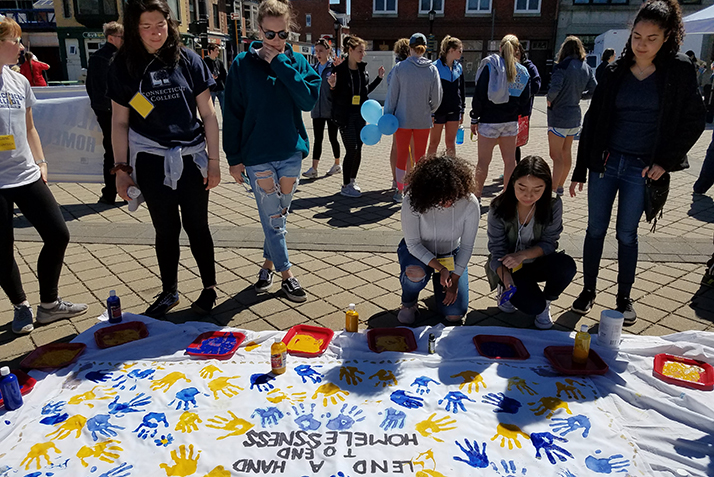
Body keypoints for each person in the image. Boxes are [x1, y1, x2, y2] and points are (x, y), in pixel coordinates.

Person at [570, 0, 705, 324]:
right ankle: (588, 290)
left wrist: (666, 162)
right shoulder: (615, 72)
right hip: (605, 164)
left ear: (668, 36)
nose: (641, 45)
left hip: (641, 169)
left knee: (627, 235)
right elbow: (593, 122)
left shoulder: (679, 71)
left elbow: (694, 120)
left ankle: (624, 297)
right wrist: (579, 170)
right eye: (637, 36)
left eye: (651, 38)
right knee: (594, 231)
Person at [108, 0, 221, 317]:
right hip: (150, 159)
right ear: (134, 28)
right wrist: (121, 169)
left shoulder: (189, 60)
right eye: (146, 26)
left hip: (191, 158)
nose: (155, 32)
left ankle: (209, 288)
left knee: (198, 226)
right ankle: (169, 291)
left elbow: (208, 114)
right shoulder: (123, 65)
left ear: (170, 23)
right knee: (165, 229)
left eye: (160, 23)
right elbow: (119, 121)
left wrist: (214, 162)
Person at [224, 0, 320, 303]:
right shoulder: (242, 64)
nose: (277, 41)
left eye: (283, 35)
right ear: (258, 31)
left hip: (291, 152)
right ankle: (287, 275)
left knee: (277, 217)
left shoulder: (297, 63)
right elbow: (233, 114)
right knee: (275, 219)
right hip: (256, 155)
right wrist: (233, 158)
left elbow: (308, 100)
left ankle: (266, 267)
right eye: (269, 35)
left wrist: (279, 63)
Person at [0, 15, 87, 334]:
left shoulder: (19, 81)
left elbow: (30, 127)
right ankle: (20, 306)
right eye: (15, 41)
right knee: (2, 250)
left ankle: (49, 305)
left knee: (58, 233)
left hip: (25, 173)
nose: (21, 47)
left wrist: (42, 162)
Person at [486, 156, 575, 329]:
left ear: (546, 187)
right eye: (522, 187)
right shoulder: (498, 207)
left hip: (537, 262)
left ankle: (547, 301)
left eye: (537, 189)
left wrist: (523, 255)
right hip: (509, 267)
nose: (528, 195)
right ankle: (505, 287)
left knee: (566, 266)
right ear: (512, 183)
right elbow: (496, 250)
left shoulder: (553, 204)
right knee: (533, 306)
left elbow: (550, 243)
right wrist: (506, 278)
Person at [397, 153, 480, 324]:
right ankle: (409, 303)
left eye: (452, 196)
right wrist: (441, 268)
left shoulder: (470, 202)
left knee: (454, 314)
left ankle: (440, 289)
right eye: (440, 199)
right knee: (416, 274)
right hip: (418, 252)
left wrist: (455, 277)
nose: (448, 202)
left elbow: (466, 247)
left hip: (451, 253)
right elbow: (413, 244)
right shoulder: (412, 200)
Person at [470, 34, 530, 198]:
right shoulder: (523, 72)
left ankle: (477, 196)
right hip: (510, 121)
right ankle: (507, 196)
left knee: (483, 162)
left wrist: (474, 118)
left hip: (489, 120)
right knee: (510, 161)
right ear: (517, 50)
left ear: (500, 48)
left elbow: (480, 94)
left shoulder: (491, 66)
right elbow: (526, 101)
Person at [384, 33, 442, 203]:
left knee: (402, 154)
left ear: (409, 48)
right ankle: (419, 189)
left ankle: (400, 191)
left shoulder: (400, 68)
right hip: (422, 120)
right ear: (424, 48)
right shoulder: (432, 69)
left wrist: (388, 115)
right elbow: (437, 97)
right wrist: (429, 109)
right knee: (420, 157)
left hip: (402, 119)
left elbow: (392, 96)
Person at [329, 35, 384, 198]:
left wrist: (379, 79)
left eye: (363, 51)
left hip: (360, 115)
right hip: (344, 116)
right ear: (350, 50)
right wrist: (332, 86)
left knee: (359, 149)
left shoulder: (362, 71)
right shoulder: (339, 71)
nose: (362, 54)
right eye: (360, 51)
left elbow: (364, 93)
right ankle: (345, 185)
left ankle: (352, 181)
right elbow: (334, 96)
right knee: (351, 149)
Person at [547, 36, 597, 195]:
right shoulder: (586, 67)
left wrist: (549, 99)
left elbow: (555, 88)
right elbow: (594, 88)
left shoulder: (562, 66)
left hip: (559, 116)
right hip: (575, 116)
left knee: (555, 155)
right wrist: (581, 96)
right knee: (566, 151)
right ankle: (560, 185)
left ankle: (553, 188)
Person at [86, 21, 124, 205]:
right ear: (111, 37)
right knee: (124, 150)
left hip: (104, 110)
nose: (124, 41)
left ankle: (109, 193)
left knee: (110, 151)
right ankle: (126, 190)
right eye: (121, 37)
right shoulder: (116, 58)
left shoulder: (96, 57)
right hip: (117, 110)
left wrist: (99, 107)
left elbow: (90, 87)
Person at [302, 38, 341, 179]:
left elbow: (340, 89)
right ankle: (314, 168)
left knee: (332, 138)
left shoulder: (334, 68)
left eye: (321, 51)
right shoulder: (313, 69)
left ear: (328, 51)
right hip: (316, 110)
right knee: (317, 139)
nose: (318, 53)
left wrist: (334, 85)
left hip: (330, 109)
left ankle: (337, 164)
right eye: (316, 51)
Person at [427, 35, 464, 157]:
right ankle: (429, 169)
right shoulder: (435, 67)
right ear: (451, 50)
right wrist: (431, 112)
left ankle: (451, 170)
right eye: (459, 50)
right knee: (434, 142)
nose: (461, 52)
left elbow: (461, 90)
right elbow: (429, 91)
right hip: (438, 110)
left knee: (450, 142)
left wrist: (462, 109)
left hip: (454, 110)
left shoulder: (459, 67)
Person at [387, 38, 410, 189]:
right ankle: (406, 179)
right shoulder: (409, 69)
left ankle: (396, 179)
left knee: (396, 147)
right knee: (409, 149)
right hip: (410, 113)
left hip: (396, 113)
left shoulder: (395, 69)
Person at [515, 43, 541, 163]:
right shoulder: (508, 66)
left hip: (522, 110)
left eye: (517, 54)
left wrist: (523, 94)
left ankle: (513, 168)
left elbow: (536, 85)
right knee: (511, 142)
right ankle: (511, 167)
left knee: (517, 142)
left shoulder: (529, 66)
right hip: (508, 109)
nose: (514, 56)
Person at [203, 44, 227, 115]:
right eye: (216, 50)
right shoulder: (205, 62)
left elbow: (224, 75)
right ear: (211, 51)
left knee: (224, 108)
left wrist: (226, 86)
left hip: (220, 88)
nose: (218, 52)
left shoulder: (219, 62)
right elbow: (203, 74)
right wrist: (210, 76)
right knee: (211, 109)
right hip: (211, 89)